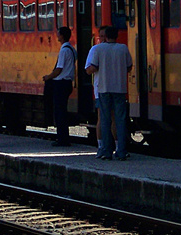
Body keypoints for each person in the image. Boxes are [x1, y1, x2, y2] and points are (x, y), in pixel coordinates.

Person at [85, 25, 132, 160]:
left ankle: (106, 150)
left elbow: (92, 67)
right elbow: (129, 67)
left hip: (103, 88)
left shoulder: (98, 49)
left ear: (105, 36)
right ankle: (121, 151)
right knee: (120, 120)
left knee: (104, 120)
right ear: (116, 35)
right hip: (120, 88)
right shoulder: (123, 48)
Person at [42, 26, 76, 145]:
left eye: (58, 33)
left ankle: (62, 139)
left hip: (61, 83)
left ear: (61, 36)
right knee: (62, 111)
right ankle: (64, 137)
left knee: (59, 112)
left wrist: (48, 77)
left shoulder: (64, 50)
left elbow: (59, 69)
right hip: (68, 83)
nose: (56, 35)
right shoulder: (72, 49)